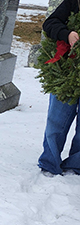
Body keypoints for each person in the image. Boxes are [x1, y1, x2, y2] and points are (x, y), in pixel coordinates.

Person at [40, 0, 80, 176]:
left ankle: (76, 164)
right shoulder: (73, 2)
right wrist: (68, 34)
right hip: (67, 72)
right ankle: (50, 163)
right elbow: (50, 23)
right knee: (56, 120)